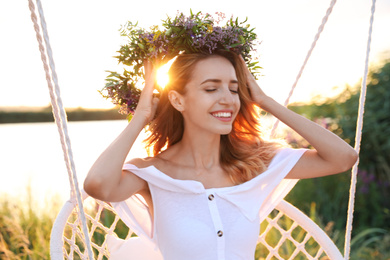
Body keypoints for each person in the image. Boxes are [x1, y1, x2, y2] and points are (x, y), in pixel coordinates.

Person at [84, 50, 358, 259]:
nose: (228, 99)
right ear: (178, 100)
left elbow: (342, 158)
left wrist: (265, 101)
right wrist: (141, 117)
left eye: (234, 89)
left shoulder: (253, 162)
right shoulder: (154, 173)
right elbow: (98, 185)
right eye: (211, 88)